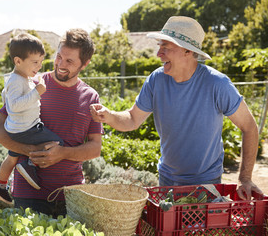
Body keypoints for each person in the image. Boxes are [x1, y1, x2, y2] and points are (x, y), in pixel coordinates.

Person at [90, 16, 263, 200]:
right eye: (160, 46)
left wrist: (245, 178)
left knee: (198, 229)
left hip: (206, 184)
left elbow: (249, 127)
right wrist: (108, 116)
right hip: (167, 181)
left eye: (166, 47)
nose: (159, 53)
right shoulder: (156, 80)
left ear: (188, 51)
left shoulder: (217, 84)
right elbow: (133, 119)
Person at [0, 28, 103, 217]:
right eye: (59, 56)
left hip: (71, 194)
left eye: (69, 61)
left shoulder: (90, 96)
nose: (60, 64)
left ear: (84, 64)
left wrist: (62, 153)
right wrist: (31, 151)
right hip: (29, 194)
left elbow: (95, 148)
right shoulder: (30, 84)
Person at [0, 32, 64, 205]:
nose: (39, 66)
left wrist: (34, 84)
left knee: (12, 158)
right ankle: (30, 163)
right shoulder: (16, 80)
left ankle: (0, 185)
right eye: (35, 62)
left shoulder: (22, 78)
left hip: (17, 129)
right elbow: (14, 106)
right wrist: (36, 93)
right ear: (18, 61)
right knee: (57, 143)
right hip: (26, 129)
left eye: (41, 61)